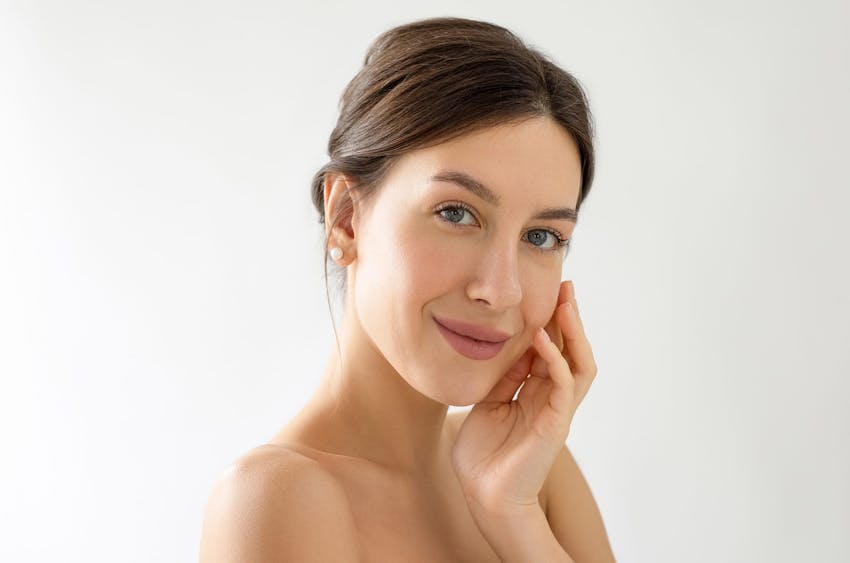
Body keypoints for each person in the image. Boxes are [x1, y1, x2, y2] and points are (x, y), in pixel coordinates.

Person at [199, 16, 615, 562]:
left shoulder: (535, 474)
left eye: (541, 236)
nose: (500, 289)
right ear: (346, 218)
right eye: (456, 212)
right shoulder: (277, 498)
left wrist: (511, 517)